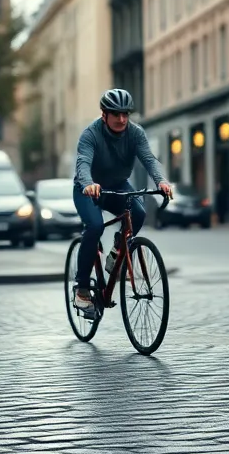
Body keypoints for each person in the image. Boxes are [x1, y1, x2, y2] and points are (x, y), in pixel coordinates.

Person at [73, 88, 173, 319]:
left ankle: (118, 250)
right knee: (95, 227)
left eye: (125, 114)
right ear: (104, 114)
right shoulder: (90, 134)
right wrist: (88, 183)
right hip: (89, 190)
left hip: (118, 185)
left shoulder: (136, 133)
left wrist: (162, 181)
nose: (121, 119)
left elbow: (149, 159)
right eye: (116, 114)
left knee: (138, 214)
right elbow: (83, 162)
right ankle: (82, 289)